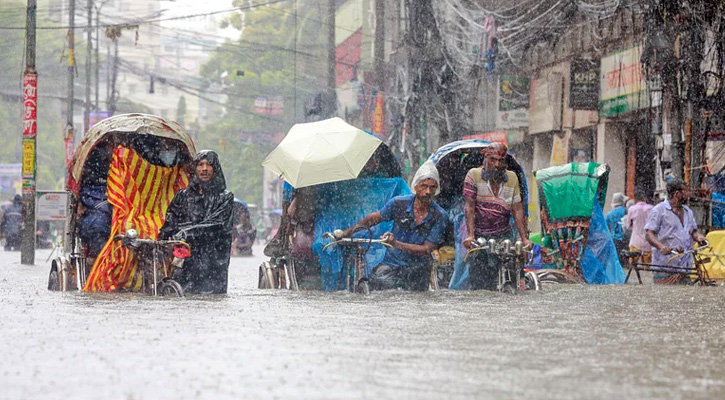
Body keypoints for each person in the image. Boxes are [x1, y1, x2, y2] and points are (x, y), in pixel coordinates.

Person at [341, 160, 448, 291]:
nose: (427, 191)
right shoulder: (398, 204)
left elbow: (427, 248)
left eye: (432, 187)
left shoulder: (440, 215)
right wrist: (347, 233)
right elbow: (374, 218)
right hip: (391, 264)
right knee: (377, 291)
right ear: (415, 187)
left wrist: (396, 244)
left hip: (418, 268)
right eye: (424, 186)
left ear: (436, 190)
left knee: (416, 300)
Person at [159, 150, 234, 294]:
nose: (204, 169)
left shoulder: (225, 198)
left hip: (213, 263)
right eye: (200, 164)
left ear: (215, 168)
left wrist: (186, 232)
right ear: (195, 168)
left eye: (208, 165)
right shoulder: (182, 196)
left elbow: (217, 224)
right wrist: (161, 240)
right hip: (186, 260)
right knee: (181, 296)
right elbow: (170, 222)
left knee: (208, 297)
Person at [462, 143, 531, 291]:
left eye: (501, 161)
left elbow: (517, 208)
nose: (497, 164)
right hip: (479, 234)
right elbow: (470, 207)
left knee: (513, 271)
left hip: (503, 233)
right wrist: (470, 235)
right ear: (485, 158)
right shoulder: (473, 175)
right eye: (493, 160)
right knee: (480, 283)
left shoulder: (512, 178)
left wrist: (524, 237)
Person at [644, 179, 707, 284]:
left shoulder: (688, 212)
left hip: (685, 267)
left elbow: (693, 231)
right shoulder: (659, 211)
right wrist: (661, 247)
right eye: (685, 191)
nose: (688, 194)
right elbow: (649, 234)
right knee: (666, 298)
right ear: (677, 194)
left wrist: (698, 237)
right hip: (665, 266)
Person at [626, 190, 654, 264]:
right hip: (649, 242)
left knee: (633, 265)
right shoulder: (652, 208)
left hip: (635, 242)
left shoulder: (632, 209)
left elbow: (628, 225)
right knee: (648, 267)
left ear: (635, 200)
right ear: (644, 199)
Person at [605, 192, 629, 262]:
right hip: (625, 238)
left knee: (617, 260)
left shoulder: (609, 215)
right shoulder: (626, 211)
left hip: (614, 239)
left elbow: (606, 228)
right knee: (626, 258)